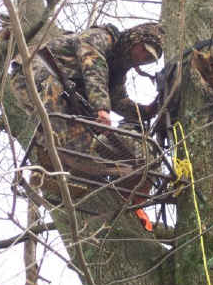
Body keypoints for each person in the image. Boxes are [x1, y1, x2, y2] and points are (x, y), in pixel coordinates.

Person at [10, 22, 163, 230]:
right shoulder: (104, 38)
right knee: (65, 131)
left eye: (148, 59)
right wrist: (101, 108)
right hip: (39, 72)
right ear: (134, 39)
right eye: (143, 51)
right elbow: (92, 61)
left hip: (57, 89)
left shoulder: (117, 70)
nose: (142, 58)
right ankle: (50, 165)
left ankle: (55, 173)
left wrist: (149, 110)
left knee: (84, 148)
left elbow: (118, 100)